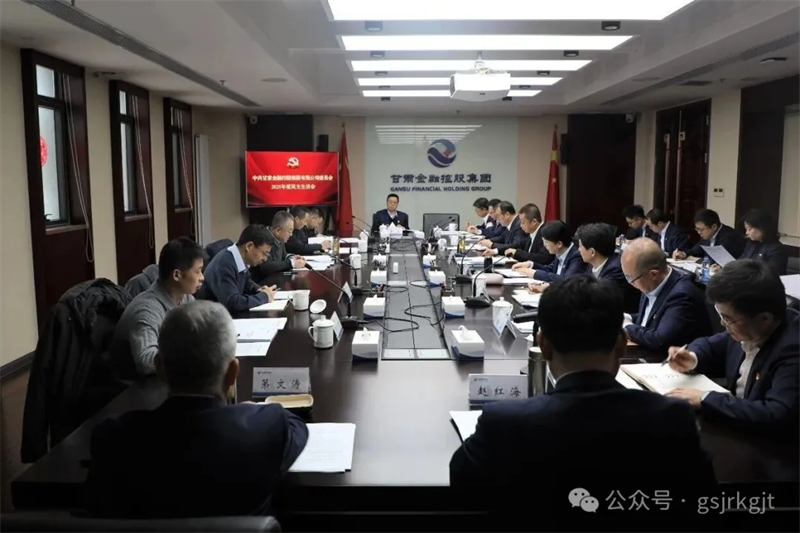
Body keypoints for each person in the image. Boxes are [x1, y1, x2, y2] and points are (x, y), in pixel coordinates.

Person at [449, 275, 716, 497]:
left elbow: (461, 484)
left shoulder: (504, 423)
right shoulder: (673, 418)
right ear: (622, 344)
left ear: (543, 345)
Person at [86, 301, 309, 518]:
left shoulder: (111, 438)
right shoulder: (266, 427)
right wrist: (250, 411)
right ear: (233, 372)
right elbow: (296, 426)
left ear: (159, 367)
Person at [666, 259, 800, 439]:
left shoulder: (793, 348)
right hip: (735, 428)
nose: (722, 324)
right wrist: (692, 357)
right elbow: (710, 345)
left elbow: (776, 414)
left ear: (764, 319)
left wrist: (706, 399)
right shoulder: (747, 327)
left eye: (727, 319)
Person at [111, 238, 205, 379]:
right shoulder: (147, 309)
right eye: (198, 271)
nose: (202, 277)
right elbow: (146, 361)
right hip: (138, 385)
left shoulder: (186, 299)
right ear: (177, 275)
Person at [620, 238, 712, 354]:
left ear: (653, 274)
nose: (630, 283)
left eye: (630, 278)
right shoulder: (650, 282)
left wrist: (627, 326)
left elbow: (660, 340)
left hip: (669, 359)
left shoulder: (682, 296)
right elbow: (652, 317)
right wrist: (627, 317)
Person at [199, 225, 276, 313]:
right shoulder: (225, 264)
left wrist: (259, 289)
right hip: (210, 316)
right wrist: (264, 297)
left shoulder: (238, 257)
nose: (265, 259)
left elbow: (246, 282)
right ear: (249, 246)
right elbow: (233, 303)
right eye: (264, 253)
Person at [511, 220, 583, 283]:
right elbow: (550, 269)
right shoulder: (560, 252)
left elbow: (566, 280)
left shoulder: (577, 256)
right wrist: (531, 264)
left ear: (559, 244)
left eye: (546, 242)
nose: (544, 245)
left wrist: (535, 273)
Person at [250, 211, 307, 281]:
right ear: (278, 230)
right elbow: (268, 267)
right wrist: (292, 263)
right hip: (261, 282)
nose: (291, 234)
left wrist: (291, 257)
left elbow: (283, 255)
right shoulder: (264, 239)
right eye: (289, 231)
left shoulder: (279, 238)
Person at [673, 208, 745, 260]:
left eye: (701, 229)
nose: (699, 232)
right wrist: (684, 254)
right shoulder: (708, 235)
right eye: (697, 229)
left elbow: (716, 260)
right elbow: (696, 250)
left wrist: (697, 260)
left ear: (714, 227)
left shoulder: (728, 237)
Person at [737, 209, 788, 276]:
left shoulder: (776, 249)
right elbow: (741, 260)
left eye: (750, 229)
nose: (747, 233)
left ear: (762, 228)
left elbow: (771, 274)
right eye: (746, 229)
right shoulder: (751, 243)